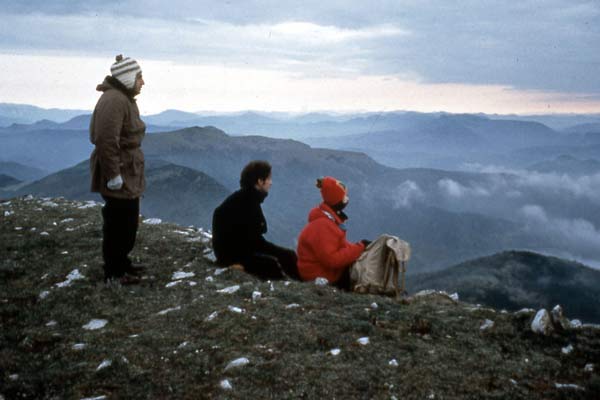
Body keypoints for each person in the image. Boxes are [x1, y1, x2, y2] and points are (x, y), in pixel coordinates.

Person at [89, 54, 146, 285]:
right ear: (128, 77)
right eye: (140, 77)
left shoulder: (122, 98)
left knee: (127, 219)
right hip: (120, 168)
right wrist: (113, 175)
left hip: (126, 167)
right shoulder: (115, 100)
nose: (143, 82)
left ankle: (121, 263)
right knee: (119, 221)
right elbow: (106, 140)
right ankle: (114, 271)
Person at [212, 161, 300, 280]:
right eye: (268, 179)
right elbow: (254, 240)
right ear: (260, 181)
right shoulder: (247, 202)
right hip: (235, 255)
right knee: (276, 262)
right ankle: (295, 285)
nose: (271, 183)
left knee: (286, 255)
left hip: (233, 251)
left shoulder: (244, 198)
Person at [296, 176, 368, 289]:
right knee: (363, 270)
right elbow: (332, 260)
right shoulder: (324, 226)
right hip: (320, 275)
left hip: (319, 270)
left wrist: (359, 246)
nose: (346, 199)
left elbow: (339, 247)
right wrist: (359, 248)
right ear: (336, 200)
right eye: (344, 197)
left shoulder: (328, 220)